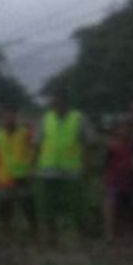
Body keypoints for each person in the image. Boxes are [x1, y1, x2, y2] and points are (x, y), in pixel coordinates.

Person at [34, 93, 92, 245]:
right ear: (52, 104)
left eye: (61, 102)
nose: (58, 105)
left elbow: (87, 143)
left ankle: (82, 238)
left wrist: (87, 166)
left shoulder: (79, 118)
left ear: (67, 102)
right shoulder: (45, 119)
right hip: (47, 171)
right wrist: (33, 166)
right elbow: (37, 144)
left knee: (77, 205)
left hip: (72, 171)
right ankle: (52, 239)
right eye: (55, 102)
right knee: (47, 207)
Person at [0, 107, 37, 239]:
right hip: (4, 177)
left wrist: (32, 167)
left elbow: (37, 145)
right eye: (6, 116)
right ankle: (6, 232)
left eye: (12, 116)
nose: (9, 118)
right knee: (4, 207)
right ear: (2, 118)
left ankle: (34, 231)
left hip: (23, 176)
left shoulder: (25, 132)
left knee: (28, 206)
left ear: (17, 117)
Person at [103, 118, 133, 243]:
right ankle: (109, 235)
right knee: (111, 206)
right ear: (117, 131)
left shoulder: (132, 145)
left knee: (126, 209)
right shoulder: (112, 146)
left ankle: (126, 235)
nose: (125, 131)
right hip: (113, 181)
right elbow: (106, 164)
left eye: (127, 128)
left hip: (128, 180)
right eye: (122, 128)